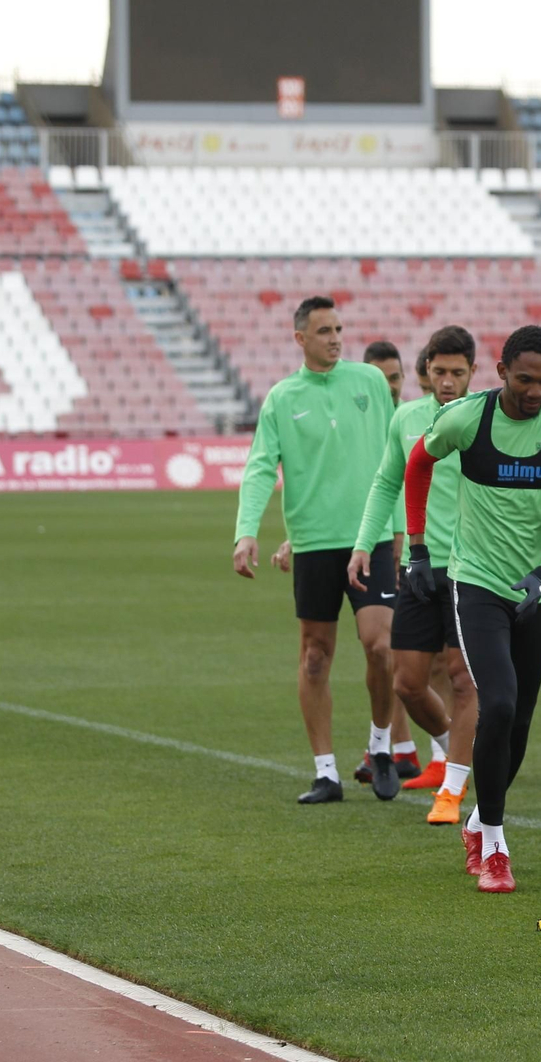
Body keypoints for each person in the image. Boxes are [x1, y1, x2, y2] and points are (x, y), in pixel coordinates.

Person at [403, 325, 541, 893]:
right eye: (526, 380)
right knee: (501, 702)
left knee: (521, 723)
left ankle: (478, 820)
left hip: (538, 590)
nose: (536, 391)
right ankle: (494, 845)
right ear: (501, 373)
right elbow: (418, 465)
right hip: (477, 583)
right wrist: (418, 547)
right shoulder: (467, 418)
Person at [233, 296, 403, 805]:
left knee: (380, 645)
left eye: (339, 328)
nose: (335, 337)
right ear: (300, 338)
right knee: (314, 657)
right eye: (324, 330)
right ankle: (325, 772)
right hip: (312, 543)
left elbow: (393, 455)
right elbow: (262, 466)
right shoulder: (282, 398)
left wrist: (396, 530)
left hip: (369, 539)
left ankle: (380, 750)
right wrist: (247, 531)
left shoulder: (370, 383)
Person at [350, 327, 481, 823]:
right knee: (406, 681)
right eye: (439, 371)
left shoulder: (485, 419)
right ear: (424, 370)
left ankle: (451, 789)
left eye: (457, 373)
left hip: (471, 568)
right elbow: (386, 482)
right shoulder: (405, 418)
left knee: (461, 677)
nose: (447, 382)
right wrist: (365, 544)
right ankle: (456, 751)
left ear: (472, 373)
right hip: (420, 566)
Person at [352, 339, 420, 782]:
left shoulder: (413, 419)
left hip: (407, 546)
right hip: (367, 541)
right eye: (378, 379)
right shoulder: (359, 422)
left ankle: (441, 751)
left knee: (413, 653)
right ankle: (405, 748)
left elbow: (402, 484)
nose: (388, 386)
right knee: (392, 650)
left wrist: (398, 537)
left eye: (394, 378)